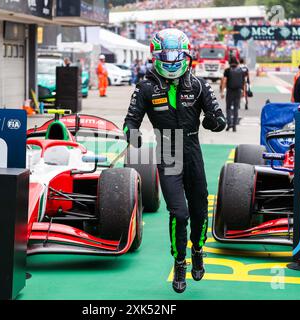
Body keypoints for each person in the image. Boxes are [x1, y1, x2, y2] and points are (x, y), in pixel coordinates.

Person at [123, 28, 226, 294]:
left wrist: (215, 122)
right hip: (167, 151)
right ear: (155, 55)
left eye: (175, 55)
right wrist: (131, 135)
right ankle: (180, 260)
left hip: (192, 150)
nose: (171, 60)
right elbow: (130, 121)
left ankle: (199, 248)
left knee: (200, 208)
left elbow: (218, 117)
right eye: (165, 55)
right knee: (179, 212)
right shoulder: (145, 87)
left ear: (185, 55)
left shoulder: (200, 84)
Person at [220, 57, 245, 132]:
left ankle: (229, 124)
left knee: (228, 108)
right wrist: (243, 92)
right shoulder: (241, 71)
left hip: (230, 91)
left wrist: (222, 91)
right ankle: (234, 126)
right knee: (236, 108)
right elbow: (243, 82)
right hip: (238, 91)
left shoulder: (227, 70)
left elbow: (224, 81)